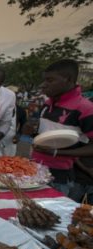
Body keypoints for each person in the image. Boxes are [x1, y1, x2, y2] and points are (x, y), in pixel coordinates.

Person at [27, 59, 93, 195]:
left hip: (60, 178)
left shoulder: (85, 108)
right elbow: (46, 137)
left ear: (68, 80)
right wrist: (31, 132)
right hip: (34, 171)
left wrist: (59, 153)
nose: (43, 85)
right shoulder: (47, 104)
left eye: (49, 80)